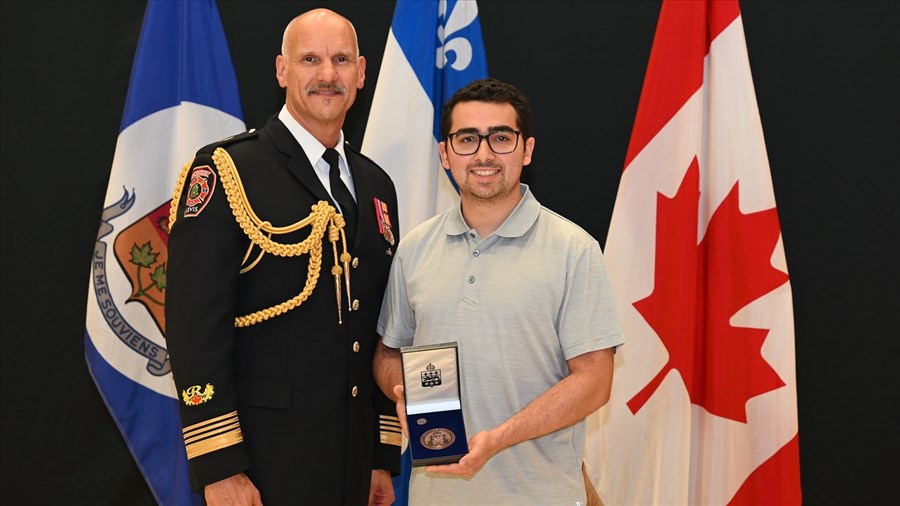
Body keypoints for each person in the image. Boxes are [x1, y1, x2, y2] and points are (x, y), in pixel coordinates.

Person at [166, 9, 400, 505]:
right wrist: (219, 465)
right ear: (281, 71)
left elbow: (379, 327)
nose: (327, 75)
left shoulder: (377, 185)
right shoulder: (227, 170)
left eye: (340, 60)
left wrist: (382, 456)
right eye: (310, 59)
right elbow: (193, 327)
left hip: (352, 462)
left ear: (361, 72)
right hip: (262, 462)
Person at [373, 78, 624, 505]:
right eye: (467, 139)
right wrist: (405, 393)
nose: (484, 154)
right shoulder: (415, 248)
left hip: (540, 495)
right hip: (435, 496)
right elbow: (388, 354)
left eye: (501, 138)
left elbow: (595, 382)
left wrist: (499, 439)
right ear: (445, 153)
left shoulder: (573, 249)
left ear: (526, 150)